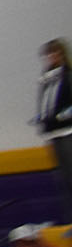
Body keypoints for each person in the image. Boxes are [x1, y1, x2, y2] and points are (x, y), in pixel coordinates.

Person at [38, 39, 72, 209]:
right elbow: (46, 103)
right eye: (48, 54)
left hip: (68, 132)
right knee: (63, 178)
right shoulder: (46, 80)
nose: (51, 57)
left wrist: (62, 116)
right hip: (54, 133)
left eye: (54, 53)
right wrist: (42, 117)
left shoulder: (68, 76)